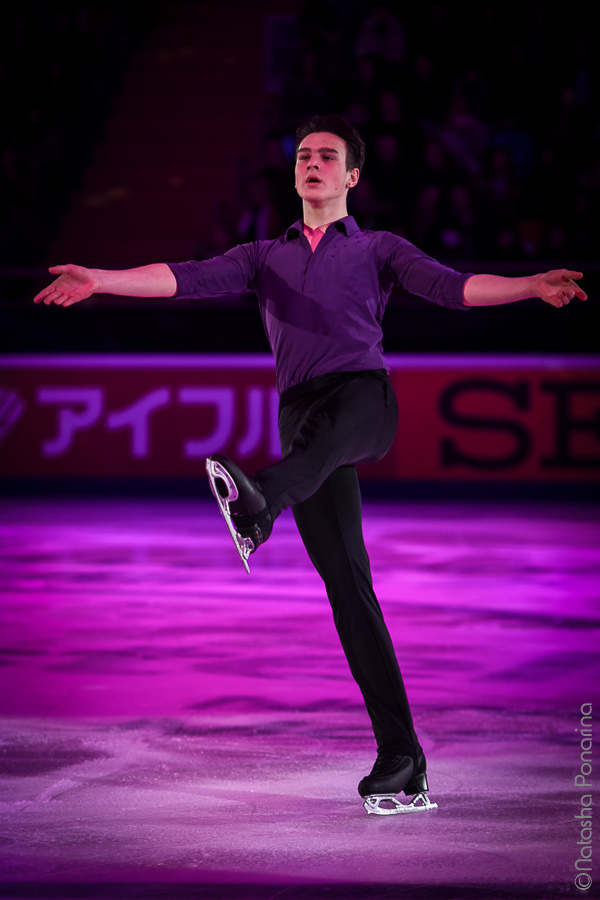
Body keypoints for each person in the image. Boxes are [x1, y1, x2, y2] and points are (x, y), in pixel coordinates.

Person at [34, 113, 587, 814]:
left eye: (327, 156)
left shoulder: (379, 247)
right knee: (350, 594)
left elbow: (452, 287)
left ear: (352, 176)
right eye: (303, 155)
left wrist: (530, 286)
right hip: (299, 418)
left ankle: (258, 502)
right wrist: (103, 279)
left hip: (363, 400)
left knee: (320, 452)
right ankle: (402, 757)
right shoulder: (264, 255)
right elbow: (185, 278)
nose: (312, 163)